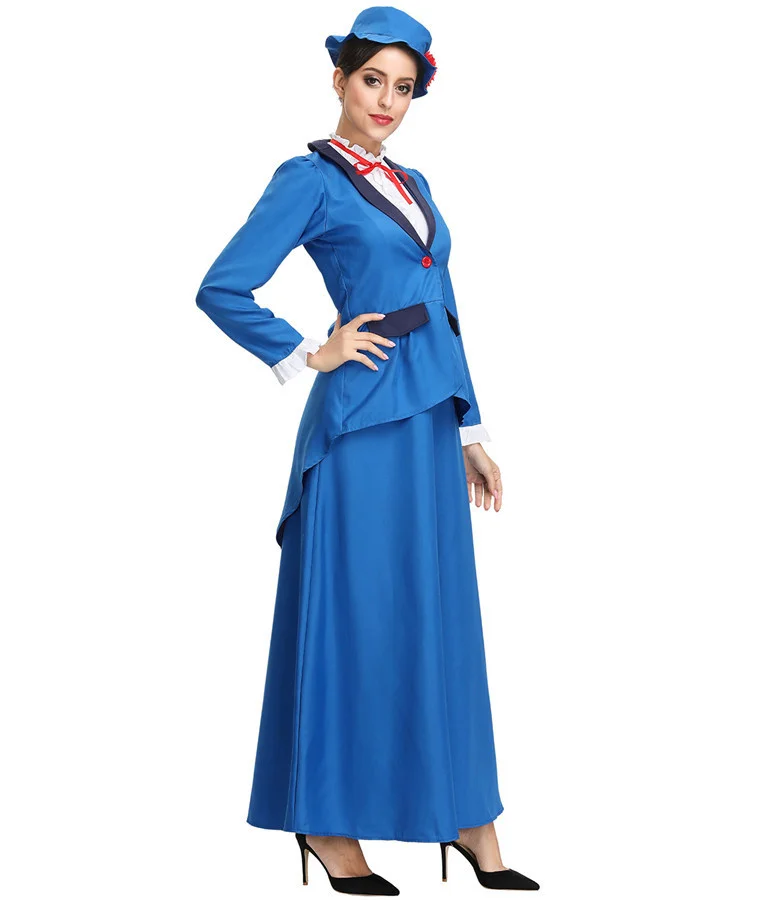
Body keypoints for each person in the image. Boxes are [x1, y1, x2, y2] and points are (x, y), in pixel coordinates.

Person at [195, 6, 539, 894]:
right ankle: (327, 823)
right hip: (356, 430)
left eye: (403, 86)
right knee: (358, 618)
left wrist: (469, 428)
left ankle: (467, 816)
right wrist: (307, 352)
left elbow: (444, 307)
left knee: (439, 616)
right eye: (371, 80)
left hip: (426, 425)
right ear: (339, 81)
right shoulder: (308, 178)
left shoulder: (414, 183)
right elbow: (222, 287)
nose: (386, 100)